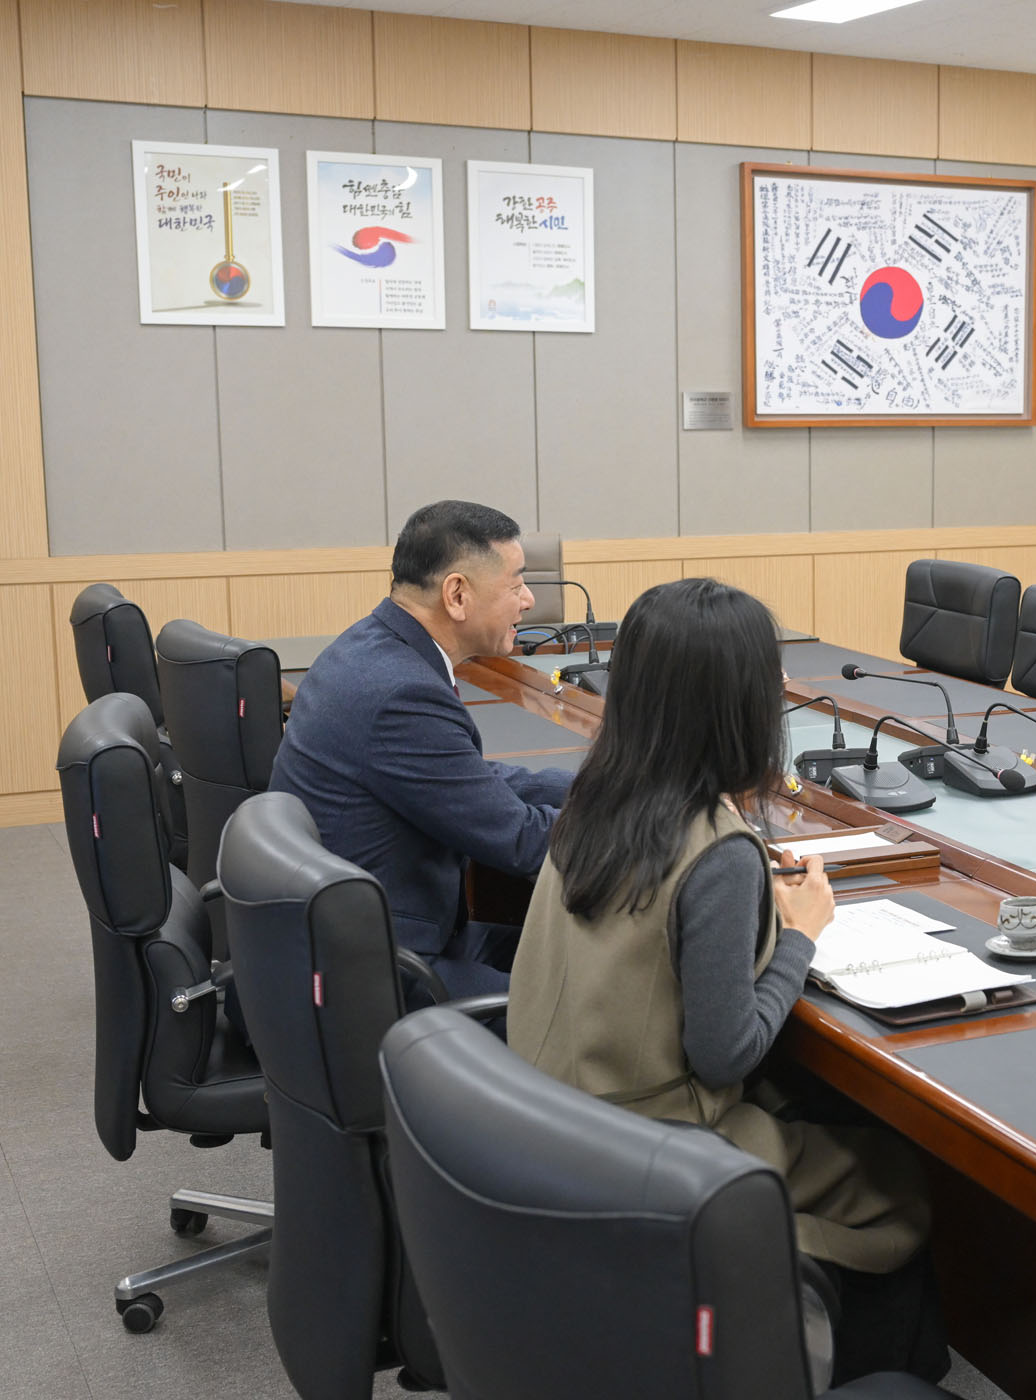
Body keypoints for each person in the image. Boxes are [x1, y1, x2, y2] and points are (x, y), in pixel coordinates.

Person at [505, 577, 939, 1380]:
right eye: (768, 675)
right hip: (653, 1153)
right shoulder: (716, 845)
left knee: (809, 1111)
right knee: (900, 1176)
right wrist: (800, 934)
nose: (781, 686)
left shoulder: (597, 795)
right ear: (734, 703)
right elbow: (725, 1053)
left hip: (549, 1124)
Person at [269, 501, 573, 996]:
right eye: (516, 584)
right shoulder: (400, 694)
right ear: (457, 594)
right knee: (583, 1011)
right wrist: (644, 823)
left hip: (375, 936)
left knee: (583, 965)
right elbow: (520, 841)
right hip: (378, 972)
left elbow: (469, 778)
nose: (528, 599)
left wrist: (598, 789)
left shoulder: (370, 646)